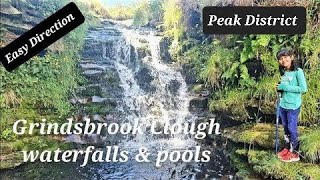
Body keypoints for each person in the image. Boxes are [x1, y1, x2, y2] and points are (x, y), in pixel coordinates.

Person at [276, 49, 307, 162]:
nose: (283, 60)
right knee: (285, 128)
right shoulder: (283, 71)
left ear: (292, 57)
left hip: (293, 106)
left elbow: (303, 89)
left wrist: (285, 88)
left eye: (285, 57)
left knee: (292, 129)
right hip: (283, 105)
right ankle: (287, 148)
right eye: (280, 59)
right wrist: (280, 89)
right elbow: (284, 86)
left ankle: (295, 153)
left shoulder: (298, 71)